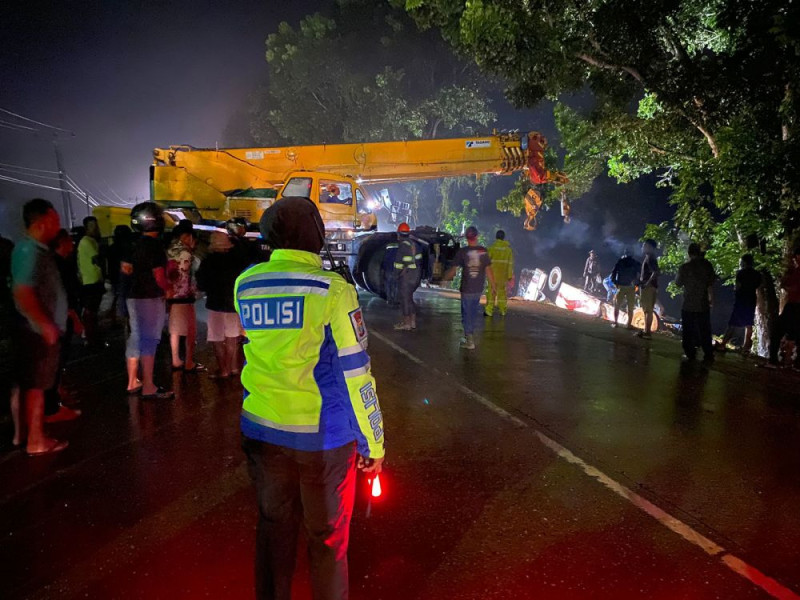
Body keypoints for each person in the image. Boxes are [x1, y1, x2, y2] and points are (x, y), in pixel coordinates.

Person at [236, 196, 385, 600]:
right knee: (327, 540)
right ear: (317, 237)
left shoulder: (245, 283)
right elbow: (357, 374)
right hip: (322, 441)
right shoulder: (332, 290)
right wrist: (373, 442)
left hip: (263, 430)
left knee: (273, 529)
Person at [11, 199, 69, 455]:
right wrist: (45, 325)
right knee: (35, 386)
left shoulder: (35, 250)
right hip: (36, 332)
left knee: (30, 385)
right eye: (55, 220)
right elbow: (23, 292)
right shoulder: (28, 251)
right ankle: (36, 440)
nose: (58, 226)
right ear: (42, 221)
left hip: (36, 330)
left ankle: (25, 435)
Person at [121, 202, 174, 399]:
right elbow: (159, 275)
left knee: (135, 337)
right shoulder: (155, 246)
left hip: (132, 297)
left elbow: (125, 271)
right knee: (150, 340)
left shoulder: (131, 244)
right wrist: (168, 289)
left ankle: (132, 381)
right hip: (150, 297)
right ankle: (149, 385)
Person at [44, 229, 83, 422]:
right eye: (70, 241)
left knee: (58, 361)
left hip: (57, 319)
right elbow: (63, 296)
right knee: (57, 360)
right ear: (61, 243)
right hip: (61, 319)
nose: (73, 244)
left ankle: (57, 396)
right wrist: (75, 318)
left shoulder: (52, 263)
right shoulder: (59, 266)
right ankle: (53, 406)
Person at [196, 231, 247, 378]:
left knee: (217, 338)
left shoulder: (208, 261)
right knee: (232, 338)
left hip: (215, 303)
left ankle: (223, 369)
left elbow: (202, 284)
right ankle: (234, 368)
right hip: (232, 304)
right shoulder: (237, 260)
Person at [445, 226, 496, 350]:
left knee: (466, 314)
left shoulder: (462, 252)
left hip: (467, 288)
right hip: (479, 288)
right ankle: (469, 336)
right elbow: (488, 270)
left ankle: (469, 340)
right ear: (477, 236)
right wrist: (493, 285)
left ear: (467, 238)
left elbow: (453, 270)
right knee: (472, 313)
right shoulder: (483, 251)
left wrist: (444, 279)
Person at [166, 220, 203, 372]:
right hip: (185, 294)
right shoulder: (186, 253)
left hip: (172, 294)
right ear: (187, 237)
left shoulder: (169, 251)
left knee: (175, 329)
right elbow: (187, 273)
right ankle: (188, 361)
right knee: (190, 329)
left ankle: (175, 359)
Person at [675, 243, 717, 362]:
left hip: (688, 303)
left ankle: (689, 353)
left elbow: (677, 283)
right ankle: (708, 353)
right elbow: (711, 283)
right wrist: (711, 299)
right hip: (703, 303)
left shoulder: (685, 267)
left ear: (689, 253)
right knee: (705, 329)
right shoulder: (707, 265)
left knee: (688, 329)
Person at [716, 254, 762, 353]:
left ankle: (723, 344)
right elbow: (757, 286)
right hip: (751, 300)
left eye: (741, 261)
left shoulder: (741, 273)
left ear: (744, 262)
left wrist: (736, 292)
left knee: (732, 323)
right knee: (749, 324)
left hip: (741, 299)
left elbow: (737, 287)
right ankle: (746, 347)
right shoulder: (757, 274)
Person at [768, 247, 800, 368]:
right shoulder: (795, 271)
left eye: (796, 256)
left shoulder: (797, 272)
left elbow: (794, 288)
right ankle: (790, 362)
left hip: (794, 306)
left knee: (777, 331)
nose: (794, 259)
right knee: (793, 334)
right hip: (794, 306)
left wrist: (784, 285)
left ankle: (773, 361)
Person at [77, 216, 105, 347]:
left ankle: (92, 336)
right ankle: (90, 338)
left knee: (93, 311)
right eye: (92, 226)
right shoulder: (86, 242)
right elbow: (97, 259)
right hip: (90, 281)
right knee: (90, 312)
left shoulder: (92, 241)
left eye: (96, 225)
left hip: (95, 280)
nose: (95, 228)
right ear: (86, 228)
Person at [393, 222, 423, 331]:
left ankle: (406, 323)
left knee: (405, 299)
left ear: (399, 234)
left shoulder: (402, 246)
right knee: (410, 298)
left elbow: (399, 264)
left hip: (407, 276)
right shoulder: (414, 244)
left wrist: (396, 275)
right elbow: (419, 260)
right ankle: (412, 322)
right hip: (416, 274)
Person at [106, 224, 132, 322]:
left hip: (114, 276)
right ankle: (126, 323)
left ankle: (115, 320)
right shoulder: (128, 248)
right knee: (126, 300)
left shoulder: (111, 248)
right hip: (126, 277)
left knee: (117, 298)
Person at [485, 230, 514, 317]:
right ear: (503, 237)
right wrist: (509, 276)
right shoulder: (508, 250)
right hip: (503, 276)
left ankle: (489, 310)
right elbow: (510, 264)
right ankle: (503, 311)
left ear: (496, 237)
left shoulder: (492, 248)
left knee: (491, 292)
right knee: (502, 293)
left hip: (492, 275)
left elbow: (487, 262)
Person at [611, 249, 640, 329]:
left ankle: (615, 322)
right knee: (630, 307)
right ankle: (629, 325)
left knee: (617, 305)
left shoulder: (620, 261)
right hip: (631, 287)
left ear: (625, 253)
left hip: (621, 286)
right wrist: (637, 283)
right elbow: (640, 274)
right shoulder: (635, 263)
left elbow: (613, 273)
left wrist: (615, 282)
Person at [637, 239, 660, 339]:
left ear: (650, 247)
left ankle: (647, 332)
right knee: (647, 309)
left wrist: (646, 283)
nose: (642, 247)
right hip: (650, 287)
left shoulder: (650, 258)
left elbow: (655, 272)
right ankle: (646, 331)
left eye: (644, 246)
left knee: (648, 310)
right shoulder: (650, 257)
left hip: (648, 287)